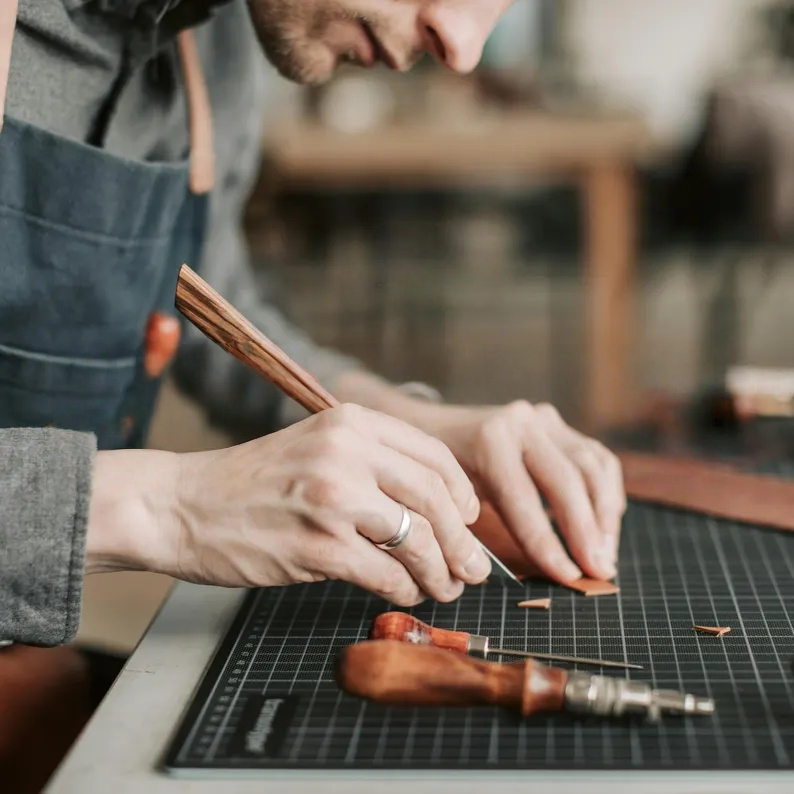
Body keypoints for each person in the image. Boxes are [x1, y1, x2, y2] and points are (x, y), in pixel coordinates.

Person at [0, 0, 626, 650]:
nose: (461, 47)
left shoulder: (211, 41)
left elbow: (201, 296)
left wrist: (397, 422)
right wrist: (174, 508)